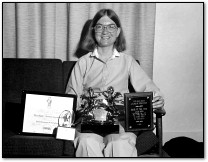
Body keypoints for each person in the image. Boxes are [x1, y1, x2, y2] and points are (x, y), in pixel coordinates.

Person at [65, 9, 165, 157]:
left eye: (111, 26)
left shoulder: (128, 61)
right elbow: (71, 96)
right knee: (86, 142)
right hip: (88, 124)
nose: (105, 31)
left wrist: (157, 100)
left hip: (121, 123)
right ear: (93, 31)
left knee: (120, 144)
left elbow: (149, 88)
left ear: (118, 31)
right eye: (100, 26)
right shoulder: (83, 62)